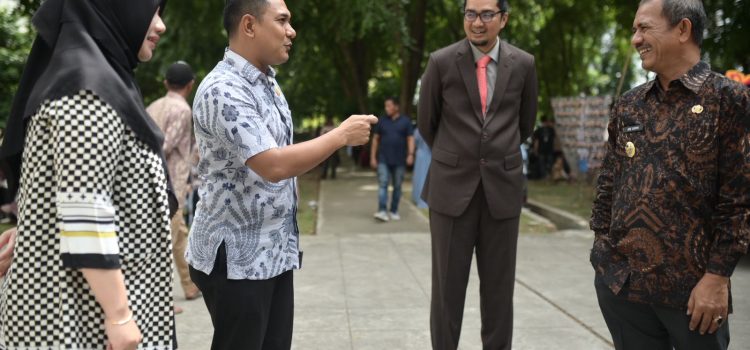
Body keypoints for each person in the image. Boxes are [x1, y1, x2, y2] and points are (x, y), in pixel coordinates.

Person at [185, 1, 377, 349]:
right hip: (236, 258)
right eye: (283, 21)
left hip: (271, 250)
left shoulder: (266, 82)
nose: (292, 31)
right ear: (249, 26)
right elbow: (273, 164)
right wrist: (340, 136)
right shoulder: (223, 89)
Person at [0, 1, 177, 349]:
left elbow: (72, 194)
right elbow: (86, 214)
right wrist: (119, 316)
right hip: (81, 321)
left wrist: (34, 228)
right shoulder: (87, 88)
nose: (160, 26)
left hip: (83, 310)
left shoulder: (92, 78)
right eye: (151, 11)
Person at [590, 1, 750, 349]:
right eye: (635, 30)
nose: (635, 39)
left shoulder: (730, 100)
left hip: (695, 295)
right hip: (624, 287)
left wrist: (717, 277)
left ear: (683, 29)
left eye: (644, 28)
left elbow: (739, 201)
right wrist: (603, 258)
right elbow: (609, 184)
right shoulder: (630, 104)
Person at [417, 0, 538, 348]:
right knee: (446, 293)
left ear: (504, 19)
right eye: (471, 14)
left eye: (487, 14)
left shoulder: (524, 64)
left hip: (502, 191)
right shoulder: (441, 62)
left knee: (499, 294)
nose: (478, 23)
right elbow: (428, 123)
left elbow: (525, 124)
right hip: (450, 192)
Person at [146, 61, 202, 314]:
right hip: (170, 185)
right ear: (190, 85)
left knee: (178, 234)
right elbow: (165, 146)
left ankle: (190, 285)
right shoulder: (182, 110)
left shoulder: (153, 106)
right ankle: (157, 300)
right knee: (165, 239)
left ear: (166, 83)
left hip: (150, 182)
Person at [370, 97, 415, 221]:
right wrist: (373, 157)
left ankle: (394, 210)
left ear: (396, 107)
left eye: (389, 106)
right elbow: (375, 139)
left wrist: (410, 154)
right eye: (385, 106)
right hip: (383, 159)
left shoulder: (406, 122)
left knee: (397, 186)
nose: (387, 108)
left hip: (400, 160)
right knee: (383, 183)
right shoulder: (382, 121)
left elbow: (410, 139)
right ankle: (382, 210)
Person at [411, 128, 430, 209]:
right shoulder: (433, 129)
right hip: (430, 155)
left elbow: (414, 142)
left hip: (420, 155)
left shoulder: (417, 130)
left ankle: (418, 198)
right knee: (426, 177)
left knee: (419, 178)